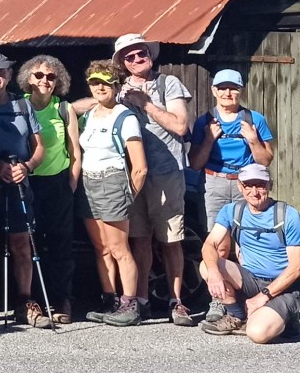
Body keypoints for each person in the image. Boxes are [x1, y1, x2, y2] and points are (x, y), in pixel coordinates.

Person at [112, 33, 196, 327]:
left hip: (166, 172)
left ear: (150, 54)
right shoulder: (117, 90)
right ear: (122, 62)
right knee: (139, 239)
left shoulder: (168, 83)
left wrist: (145, 104)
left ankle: (176, 302)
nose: (137, 59)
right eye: (130, 56)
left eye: (141, 53)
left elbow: (180, 125)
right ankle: (142, 301)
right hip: (131, 173)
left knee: (171, 239)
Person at [198, 164, 300, 342]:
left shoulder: (288, 215)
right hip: (250, 278)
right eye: (248, 185)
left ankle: (288, 317)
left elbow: (297, 268)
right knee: (207, 266)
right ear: (240, 186)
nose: (254, 192)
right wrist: (215, 273)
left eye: (260, 185)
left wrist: (261, 297)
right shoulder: (232, 211)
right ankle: (237, 316)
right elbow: (209, 245)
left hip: (284, 287)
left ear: (270, 185)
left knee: (257, 334)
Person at [0, 51, 42, 323]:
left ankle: (25, 302)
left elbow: (39, 149)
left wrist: (26, 167)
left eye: (1, 72)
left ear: (10, 75)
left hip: (18, 184)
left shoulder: (23, 106)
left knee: (22, 244)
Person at [77, 60, 146, 327]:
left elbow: (139, 168)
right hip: (88, 182)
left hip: (112, 182)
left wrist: (127, 199)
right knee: (101, 248)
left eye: (105, 82)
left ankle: (130, 304)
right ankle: (110, 299)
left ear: (115, 84)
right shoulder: (90, 114)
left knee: (119, 248)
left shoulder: (125, 117)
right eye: (94, 82)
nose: (99, 87)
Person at [190, 69, 276, 273]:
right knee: (219, 242)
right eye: (222, 88)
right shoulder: (204, 121)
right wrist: (209, 140)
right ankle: (220, 297)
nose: (227, 93)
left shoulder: (254, 119)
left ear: (241, 91)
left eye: (233, 88)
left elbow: (265, 160)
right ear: (214, 91)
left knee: (247, 239)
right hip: (214, 183)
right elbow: (194, 164)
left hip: (246, 184)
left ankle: (249, 288)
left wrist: (253, 140)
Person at [18, 54, 81, 324]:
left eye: (51, 76)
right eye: (39, 75)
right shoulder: (19, 107)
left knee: (60, 244)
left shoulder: (63, 109)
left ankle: (60, 298)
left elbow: (74, 150)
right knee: (29, 242)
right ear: (28, 79)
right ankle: (32, 301)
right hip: (27, 182)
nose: (45, 80)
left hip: (57, 183)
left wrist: (71, 183)